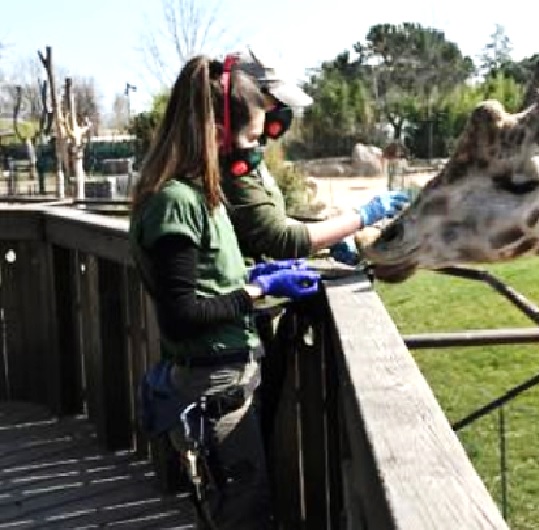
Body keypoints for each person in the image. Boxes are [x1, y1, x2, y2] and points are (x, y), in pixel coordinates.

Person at [130, 54, 321, 529]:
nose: (255, 152)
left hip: (227, 379)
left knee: (240, 505)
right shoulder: (176, 202)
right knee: (241, 511)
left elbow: (209, 281)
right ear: (218, 131)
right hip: (214, 388)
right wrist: (257, 291)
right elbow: (181, 314)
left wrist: (262, 273)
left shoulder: (201, 196)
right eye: (253, 138)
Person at [220, 47, 409, 265]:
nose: (282, 111)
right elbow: (277, 238)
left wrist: (329, 237)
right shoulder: (233, 164)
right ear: (241, 96)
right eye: (274, 100)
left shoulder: (249, 155)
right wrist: (363, 215)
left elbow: (267, 222)